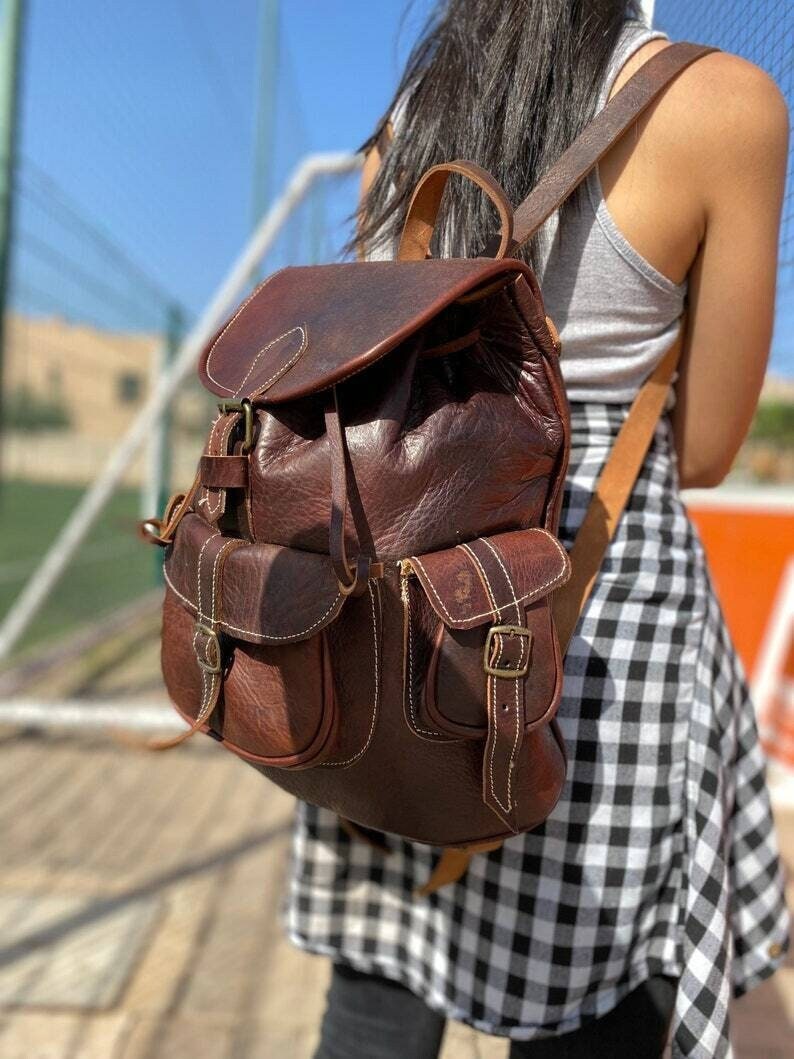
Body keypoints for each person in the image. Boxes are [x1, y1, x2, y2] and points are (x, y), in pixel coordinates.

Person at [285, 3, 791, 1056]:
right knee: (599, 1009)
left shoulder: (412, 116)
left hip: (396, 601)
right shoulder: (721, 105)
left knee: (377, 991)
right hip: (594, 620)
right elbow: (700, 451)